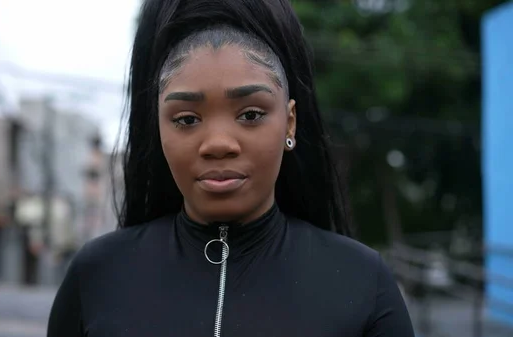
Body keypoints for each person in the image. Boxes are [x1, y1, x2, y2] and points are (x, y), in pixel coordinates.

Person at [47, 0, 415, 336]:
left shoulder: (362, 282)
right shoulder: (97, 276)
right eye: (187, 119)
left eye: (251, 114)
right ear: (157, 127)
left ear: (289, 122)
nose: (218, 143)